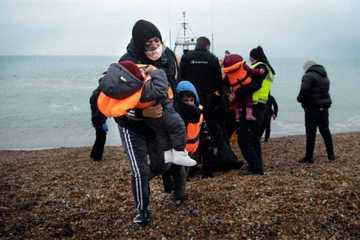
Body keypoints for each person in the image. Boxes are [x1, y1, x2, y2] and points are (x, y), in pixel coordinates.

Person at [109, 19, 184, 226]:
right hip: (131, 123)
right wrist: (144, 114)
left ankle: (146, 182)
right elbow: (116, 107)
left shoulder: (168, 56)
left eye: (156, 41)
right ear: (139, 44)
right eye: (148, 43)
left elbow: (172, 89)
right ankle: (142, 210)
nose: (153, 47)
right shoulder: (126, 63)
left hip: (158, 122)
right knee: (140, 169)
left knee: (161, 164)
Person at [179, 36, 243, 171]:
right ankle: (218, 161)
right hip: (209, 101)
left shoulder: (186, 57)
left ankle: (190, 164)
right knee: (213, 132)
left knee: (190, 132)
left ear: (197, 45)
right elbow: (218, 83)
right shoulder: (212, 58)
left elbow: (180, 80)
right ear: (207, 46)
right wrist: (222, 103)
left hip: (190, 100)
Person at [162, 80, 203, 206]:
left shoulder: (194, 111)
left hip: (185, 148)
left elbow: (198, 124)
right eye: (186, 100)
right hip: (172, 146)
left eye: (191, 100)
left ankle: (179, 195)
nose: (189, 103)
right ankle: (169, 183)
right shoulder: (176, 110)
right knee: (168, 167)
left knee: (181, 170)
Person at [236, 46, 276, 175]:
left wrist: (238, 91)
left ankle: (255, 167)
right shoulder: (269, 70)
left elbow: (253, 86)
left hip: (251, 106)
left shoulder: (258, 67)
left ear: (253, 57)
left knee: (243, 140)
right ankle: (257, 165)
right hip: (262, 106)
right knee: (254, 138)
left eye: (250, 57)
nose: (250, 59)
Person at [297, 60, 335, 163]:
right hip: (324, 108)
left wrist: (299, 99)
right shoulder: (324, 76)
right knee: (325, 131)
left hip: (312, 109)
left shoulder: (308, 76)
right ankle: (331, 154)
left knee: (311, 133)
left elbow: (304, 90)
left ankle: (309, 157)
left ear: (307, 68)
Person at [223, 53, 257, 122]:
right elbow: (252, 71)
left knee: (237, 102)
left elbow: (224, 84)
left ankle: (237, 116)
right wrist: (259, 72)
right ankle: (248, 114)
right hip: (247, 87)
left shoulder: (228, 73)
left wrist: (228, 94)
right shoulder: (242, 65)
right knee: (248, 99)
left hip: (237, 90)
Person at [89, 86, 108, 161]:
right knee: (101, 137)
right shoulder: (98, 96)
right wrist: (103, 122)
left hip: (96, 119)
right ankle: (97, 157)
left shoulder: (95, 93)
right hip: (98, 119)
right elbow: (98, 111)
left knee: (99, 137)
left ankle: (93, 154)